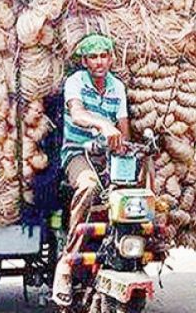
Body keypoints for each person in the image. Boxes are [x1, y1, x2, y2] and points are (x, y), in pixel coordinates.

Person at [53, 33, 129, 307]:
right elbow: (77, 114)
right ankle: (66, 263)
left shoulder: (116, 87)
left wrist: (125, 146)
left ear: (111, 59)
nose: (99, 62)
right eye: (93, 57)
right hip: (78, 152)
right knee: (88, 185)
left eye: (104, 56)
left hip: (107, 158)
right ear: (84, 61)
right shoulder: (76, 82)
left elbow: (123, 128)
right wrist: (101, 125)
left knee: (133, 194)